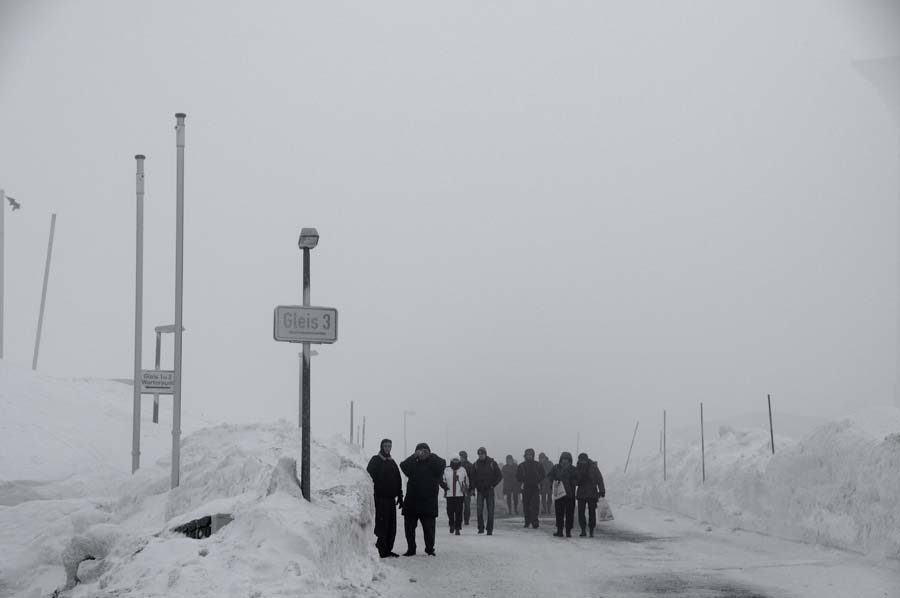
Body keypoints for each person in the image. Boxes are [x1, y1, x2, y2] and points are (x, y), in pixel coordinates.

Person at [399, 442, 446, 556]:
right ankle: (411, 548)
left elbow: (442, 463)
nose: (422, 453)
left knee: (429, 529)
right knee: (409, 528)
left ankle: (430, 549)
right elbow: (403, 466)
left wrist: (430, 455)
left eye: (425, 451)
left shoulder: (434, 465)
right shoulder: (413, 465)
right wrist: (414, 456)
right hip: (412, 501)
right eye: (420, 451)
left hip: (428, 502)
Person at [366, 438, 403, 558]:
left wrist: (400, 495)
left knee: (392, 526)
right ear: (381, 447)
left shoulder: (392, 462)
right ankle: (380, 550)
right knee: (382, 525)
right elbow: (368, 478)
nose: (388, 448)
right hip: (380, 499)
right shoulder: (376, 460)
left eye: (390, 446)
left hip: (391, 499)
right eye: (386, 446)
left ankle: (388, 549)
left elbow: (398, 479)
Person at [470, 446, 502, 535]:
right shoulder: (475, 464)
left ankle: (489, 529)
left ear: (485, 454)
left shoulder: (492, 463)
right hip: (480, 490)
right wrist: (473, 487)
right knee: (479, 510)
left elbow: (499, 475)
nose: (481, 455)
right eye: (479, 454)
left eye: (482, 454)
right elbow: (472, 477)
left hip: (489, 490)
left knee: (490, 511)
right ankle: (480, 528)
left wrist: (493, 484)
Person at [575, 452, 605, 537]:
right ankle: (583, 529)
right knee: (581, 512)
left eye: (583, 460)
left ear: (586, 459)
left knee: (592, 512)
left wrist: (602, 490)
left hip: (592, 493)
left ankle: (591, 529)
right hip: (581, 493)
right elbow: (575, 480)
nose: (582, 462)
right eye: (581, 460)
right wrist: (577, 482)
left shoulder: (593, 467)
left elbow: (599, 478)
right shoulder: (578, 468)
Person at [548, 451, 578, 537]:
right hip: (559, 495)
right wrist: (554, 481)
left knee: (569, 514)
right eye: (563, 459)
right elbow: (549, 475)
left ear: (570, 460)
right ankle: (559, 530)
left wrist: (573, 482)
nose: (565, 461)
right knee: (559, 513)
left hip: (570, 495)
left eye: (567, 459)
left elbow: (578, 479)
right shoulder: (556, 467)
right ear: (561, 459)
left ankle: (568, 531)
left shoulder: (573, 469)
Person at [516, 448, 545, 529]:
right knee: (526, 506)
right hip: (525, 487)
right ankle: (527, 521)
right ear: (525, 456)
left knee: (535, 505)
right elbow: (518, 477)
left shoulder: (537, 465)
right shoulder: (521, 466)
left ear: (533, 455)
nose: (529, 456)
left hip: (535, 487)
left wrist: (538, 479)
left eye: (531, 455)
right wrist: (523, 478)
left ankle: (535, 521)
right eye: (528, 455)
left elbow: (543, 474)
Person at [441, 455, 469, 535]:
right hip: (449, 494)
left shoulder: (462, 469)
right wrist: (444, 486)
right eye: (454, 460)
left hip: (459, 494)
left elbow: (466, 480)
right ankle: (451, 524)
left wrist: (466, 488)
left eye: (457, 460)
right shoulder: (446, 469)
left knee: (459, 511)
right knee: (450, 511)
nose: (455, 461)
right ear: (451, 460)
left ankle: (457, 527)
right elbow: (442, 479)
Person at [458, 450, 477, 526]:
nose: (460, 458)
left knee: (466, 505)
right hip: (461, 488)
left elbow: (472, 478)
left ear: (464, 457)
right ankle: (463, 519)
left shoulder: (468, 466)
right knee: (462, 505)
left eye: (461, 457)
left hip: (466, 488)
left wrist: (472, 488)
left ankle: (466, 520)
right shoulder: (461, 465)